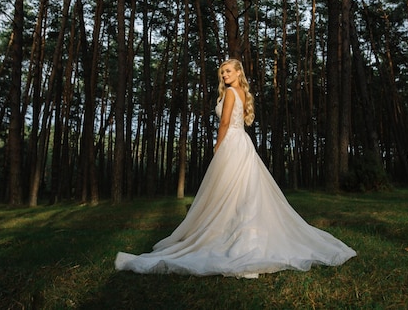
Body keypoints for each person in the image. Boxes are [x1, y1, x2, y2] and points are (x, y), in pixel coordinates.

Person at [115, 59, 356, 278]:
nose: (224, 75)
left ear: (239, 72)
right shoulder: (240, 92)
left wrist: (218, 145)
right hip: (243, 144)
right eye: (222, 72)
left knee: (229, 192)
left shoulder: (231, 92)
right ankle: (241, 235)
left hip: (232, 143)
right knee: (240, 193)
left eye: (228, 71)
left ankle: (234, 237)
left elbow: (225, 122)